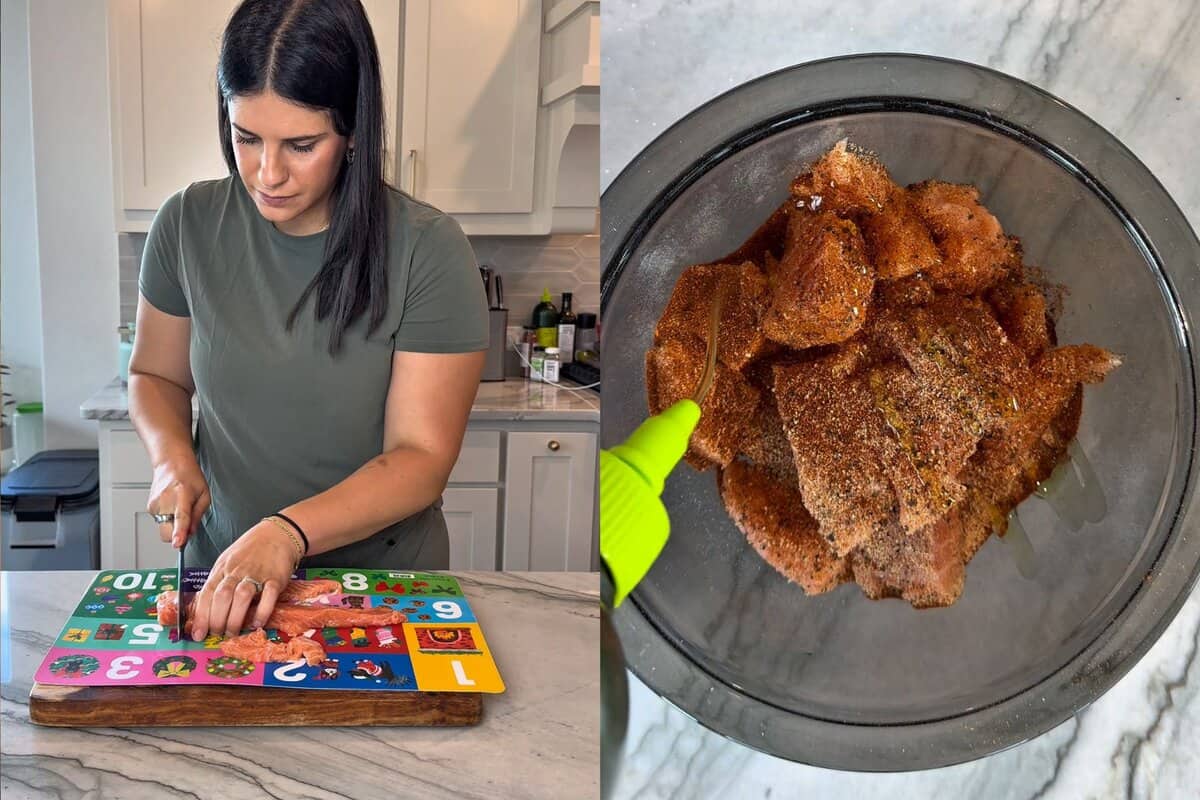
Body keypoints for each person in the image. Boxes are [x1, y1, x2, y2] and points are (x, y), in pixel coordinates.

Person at [128, 0, 487, 643]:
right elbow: (155, 374)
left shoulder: (428, 249)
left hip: (381, 590)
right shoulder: (185, 225)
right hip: (227, 579)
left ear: (351, 129)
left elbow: (421, 456)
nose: (268, 174)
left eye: (301, 144)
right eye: (245, 137)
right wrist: (169, 459)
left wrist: (285, 533)